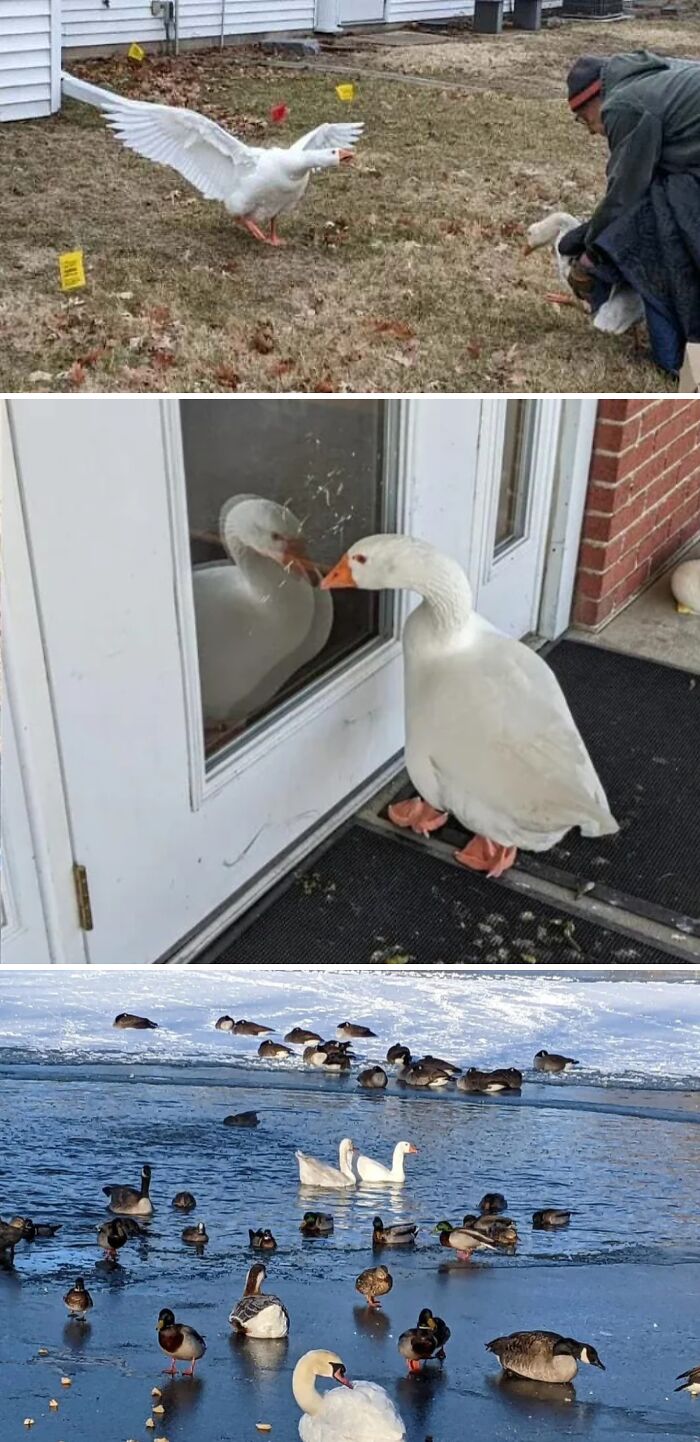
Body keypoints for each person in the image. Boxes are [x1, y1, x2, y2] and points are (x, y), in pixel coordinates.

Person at [560, 50, 700, 375]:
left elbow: (625, 191)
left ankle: (680, 355)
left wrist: (589, 248)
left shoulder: (622, 106)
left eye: (585, 121)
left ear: (592, 99)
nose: (593, 131)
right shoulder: (647, 78)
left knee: (664, 233)